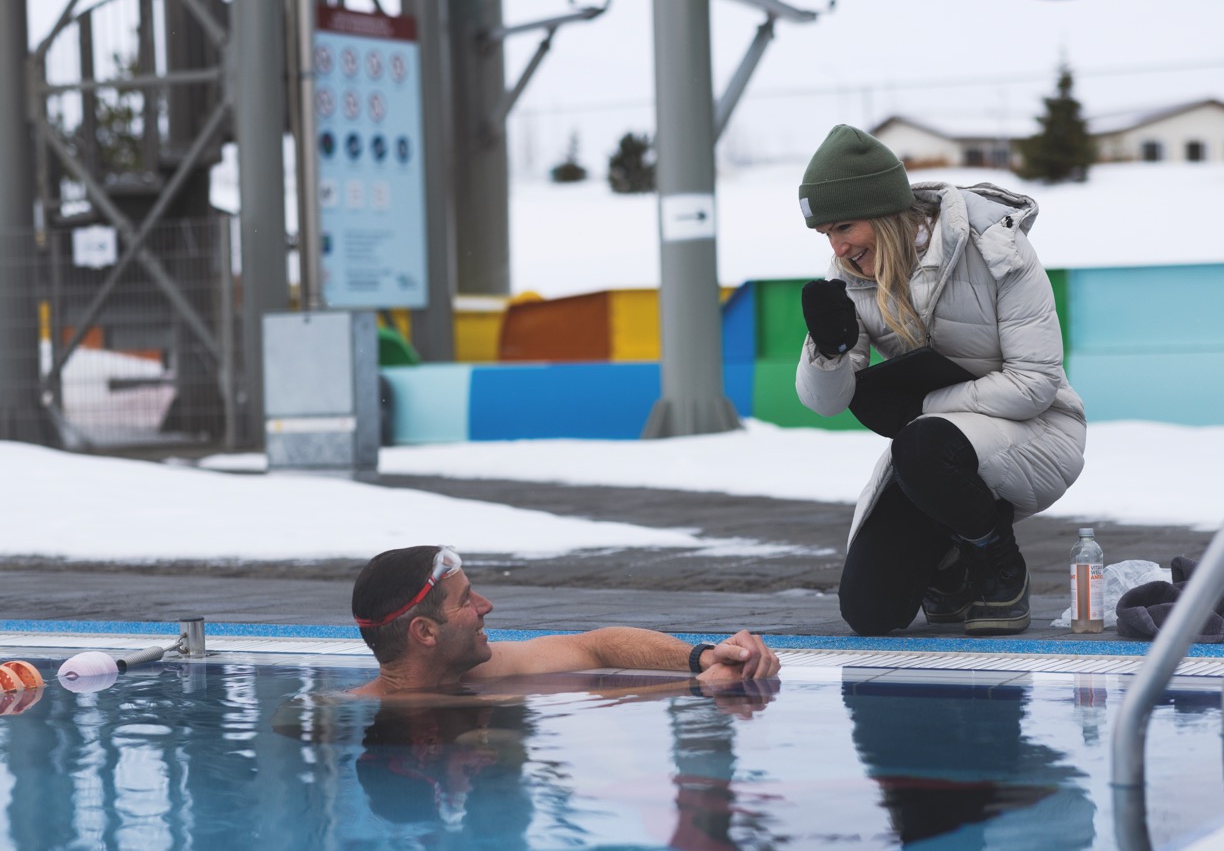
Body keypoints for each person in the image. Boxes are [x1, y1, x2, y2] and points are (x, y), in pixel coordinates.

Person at [794, 124, 1087, 637]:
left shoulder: (996, 247)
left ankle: (1000, 569)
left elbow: (1034, 384)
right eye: (827, 236)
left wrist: (924, 406)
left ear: (884, 212)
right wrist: (828, 349)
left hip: (1039, 431)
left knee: (924, 443)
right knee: (871, 612)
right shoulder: (853, 281)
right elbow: (827, 403)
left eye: (844, 227)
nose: (838, 249)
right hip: (931, 448)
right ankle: (948, 567)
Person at [348, 544, 781, 695]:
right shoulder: (390, 708)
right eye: (465, 600)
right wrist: (698, 691)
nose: (486, 606)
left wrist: (702, 659)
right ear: (424, 633)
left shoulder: (476, 670)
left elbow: (594, 646)